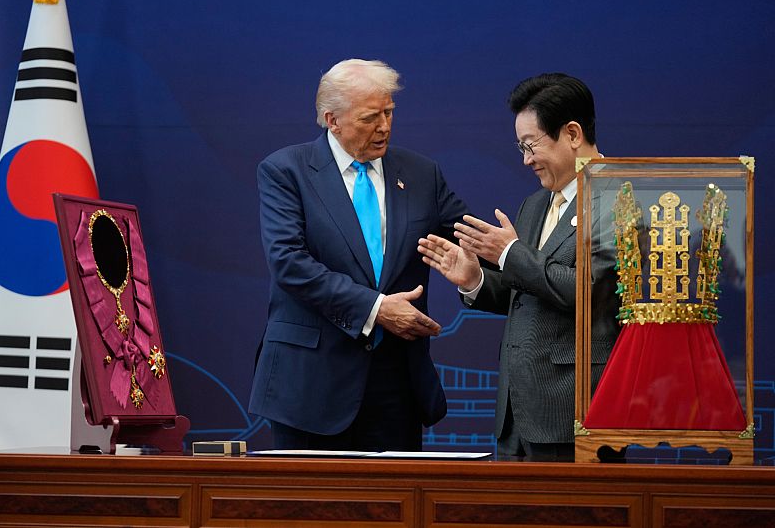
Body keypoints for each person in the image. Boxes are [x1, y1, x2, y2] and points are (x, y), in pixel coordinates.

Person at [249, 59, 468, 451]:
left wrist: (505, 254)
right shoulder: (286, 171)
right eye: (370, 117)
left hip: (395, 387)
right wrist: (376, 308)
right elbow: (288, 262)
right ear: (332, 120)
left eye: (389, 112)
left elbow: (470, 241)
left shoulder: (421, 174)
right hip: (309, 387)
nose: (384, 126)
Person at [418, 73, 620, 461]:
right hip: (516, 418)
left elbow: (589, 292)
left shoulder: (619, 199)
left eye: (531, 146)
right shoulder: (535, 205)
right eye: (520, 147)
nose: (526, 159)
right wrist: (476, 279)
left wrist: (509, 254)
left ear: (573, 134)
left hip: (574, 415)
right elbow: (527, 293)